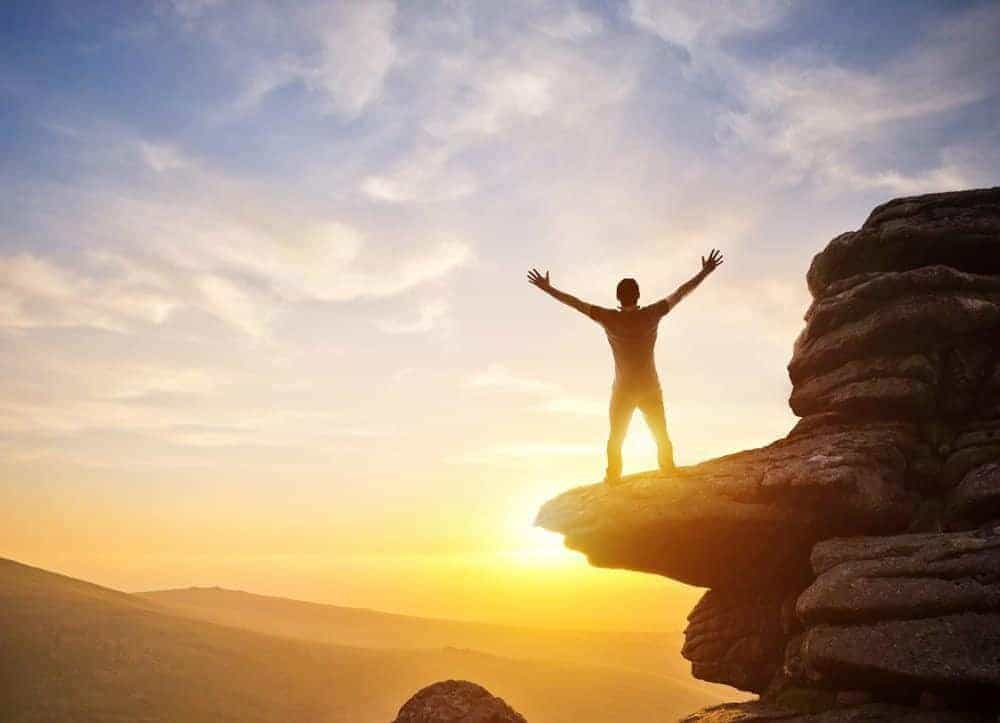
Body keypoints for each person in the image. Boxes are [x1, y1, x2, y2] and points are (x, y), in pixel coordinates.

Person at [527, 249, 723, 484]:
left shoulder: (608, 317)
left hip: (623, 391)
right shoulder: (652, 313)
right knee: (660, 434)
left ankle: (613, 477)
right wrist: (705, 272)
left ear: (619, 298)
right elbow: (681, 293)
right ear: (638, 296)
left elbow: (576, 303)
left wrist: (548, 288)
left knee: (616, 437)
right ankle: (668, 468)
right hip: (650, 388)